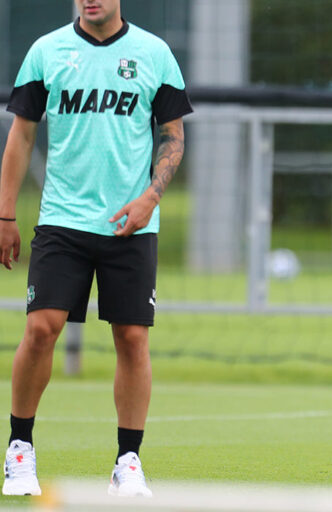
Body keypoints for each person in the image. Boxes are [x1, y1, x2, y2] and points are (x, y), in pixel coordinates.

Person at [0, 0, 191, 497]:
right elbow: (21, 136)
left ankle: (128, 461)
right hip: (62, 221)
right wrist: (5, 216)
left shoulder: (154, 53)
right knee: (41, 328)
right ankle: (19, 450)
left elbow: (173, 136)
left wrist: (150, 198)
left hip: (131, 224)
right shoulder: (46, 52)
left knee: (132, 338)